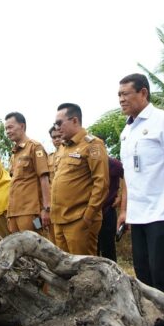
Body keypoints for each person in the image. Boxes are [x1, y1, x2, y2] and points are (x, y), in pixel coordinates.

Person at [117, 74, 164, 297]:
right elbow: (129, 174)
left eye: (125, 94)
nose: (121, 99)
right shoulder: (127, 131)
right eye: (118, 95)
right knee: (144, 276)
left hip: (161, 213)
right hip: (137, 216)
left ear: (143, 93)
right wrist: (124, 210)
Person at [50, 103, 108, 255]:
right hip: (59, 220)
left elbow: (101, 183)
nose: (57, 128)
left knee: (84, 270)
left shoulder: (92, 145)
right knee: (63, 268)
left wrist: (88, 216)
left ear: (74, 121)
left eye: (59, 123)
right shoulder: (62, 147)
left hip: (79, 220)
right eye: (55, 124)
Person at [4, 112, 52, 235]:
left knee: (34, 249)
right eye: (6, 129)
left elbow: (44, 178)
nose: (7, 131)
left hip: (30, 212)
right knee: (18, 251)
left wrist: (46, 209)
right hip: (14, 212)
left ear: (22, 126)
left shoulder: (35, 147)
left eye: (10, 127)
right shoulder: (14, 153)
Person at [97, 155, 123, 262]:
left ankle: (113, 275)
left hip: (107, 210)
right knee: (93, 249)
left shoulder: (114, 164)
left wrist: (121, 197)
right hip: (90, 212)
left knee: (108, 248)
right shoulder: (86, 162)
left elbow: (130, 178)